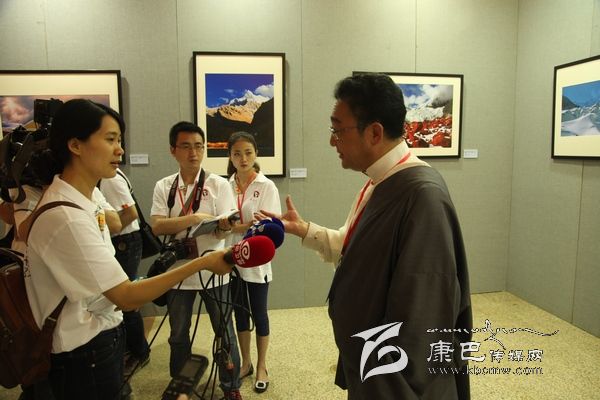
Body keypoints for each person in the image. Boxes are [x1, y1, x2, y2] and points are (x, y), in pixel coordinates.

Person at [261, 73, 472, 399]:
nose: (332, 142)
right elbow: (356, 251)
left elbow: (422, 318)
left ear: (374, 132)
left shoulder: (422, 195)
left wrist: (383, 379)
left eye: (337, 130)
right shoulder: (381, 181)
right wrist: (305, 230)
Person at [24, 99, 232, 400]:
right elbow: (125, 296)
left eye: (120, 140)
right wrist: (202, 262)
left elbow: (122, 221)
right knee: (178, 333)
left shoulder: (90, 197)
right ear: (75, 145)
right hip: (82, 350)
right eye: (110, 139)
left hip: (101, 335)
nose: (120, 150)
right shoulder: (67, 216)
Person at [150, 121, 243, 400]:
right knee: (178, 333)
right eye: (186, 146)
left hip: (214, 268)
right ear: (173, 150)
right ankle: (181, 389)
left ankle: (231, 386)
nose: (194, 153)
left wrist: (223, 226)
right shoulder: (164, 186)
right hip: (177, 272)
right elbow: (157, 226)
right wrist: (195, 218)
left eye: (199, 146)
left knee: (224, 331)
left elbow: (226, 227)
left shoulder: (218, 184)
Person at [226, 132, 281, 393]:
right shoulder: (225, 185)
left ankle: (262, 366)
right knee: (240, 312)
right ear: (230, 157)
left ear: (256, 153)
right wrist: (244, 225)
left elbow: (268, 226)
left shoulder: (266, 186)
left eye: (248, 152)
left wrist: (236, 226)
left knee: (259, 312)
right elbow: (222, 223)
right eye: (237, 154)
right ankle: (246, 362)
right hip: (232, 258)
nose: (243, 158)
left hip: (257, 260)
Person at [99, 168, 151, 377]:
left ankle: (139, 352)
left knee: (126, 301)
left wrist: (105, 230)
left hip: (124, 243)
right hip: (121, 242)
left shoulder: (110, 179)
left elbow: (131, 213)